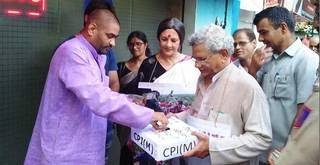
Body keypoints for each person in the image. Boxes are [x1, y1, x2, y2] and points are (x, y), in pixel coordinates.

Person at [24, 1, 168, 164]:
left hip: (83, 146)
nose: (113, 43)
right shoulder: (72, 51)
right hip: (66, 151)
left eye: (115, 37)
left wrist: (131, 100)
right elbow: (99, 98)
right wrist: (149, 115)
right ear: (92, 28)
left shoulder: (93, 55)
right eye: (110, 36)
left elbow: (102, 93)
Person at [179, 24, 272, 164]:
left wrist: (213, 147)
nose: (196, 65)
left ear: (223, 55)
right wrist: (175, 118)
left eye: (202, 59)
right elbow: (198, 113)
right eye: (195, 59)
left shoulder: (247, 86)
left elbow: (261, 139)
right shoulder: (202, 78)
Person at [249, 6, 319, 162]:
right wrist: (252, 70)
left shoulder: (306, 60)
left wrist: (288, 147)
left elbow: (305, 111)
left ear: (283, 28)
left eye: (263, 32)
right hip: (259, 148)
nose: (260, 39)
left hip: (282, 154)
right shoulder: (265, 58)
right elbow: (253, 97)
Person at [269, 68, 319, 165]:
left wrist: (282, 160)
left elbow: (305, 154)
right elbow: (301, 120)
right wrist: (285, 150)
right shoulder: (313, 97)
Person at [116, 30, 151, 165]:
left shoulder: (152, 66)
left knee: (145, 152)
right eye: (131, 44)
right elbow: (115, 92)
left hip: (146, 117)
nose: (135, 47)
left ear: (146, 45)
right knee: (126, 150)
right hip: (125, 118)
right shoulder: (120, 67)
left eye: (138, 43)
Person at [135, 17, 189, 95]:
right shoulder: (148, 64)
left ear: (181, 41)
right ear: (158, 39)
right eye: (164, 39)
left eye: (173, 40)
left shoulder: (190, 65)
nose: (168, 45)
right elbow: (140, 95)